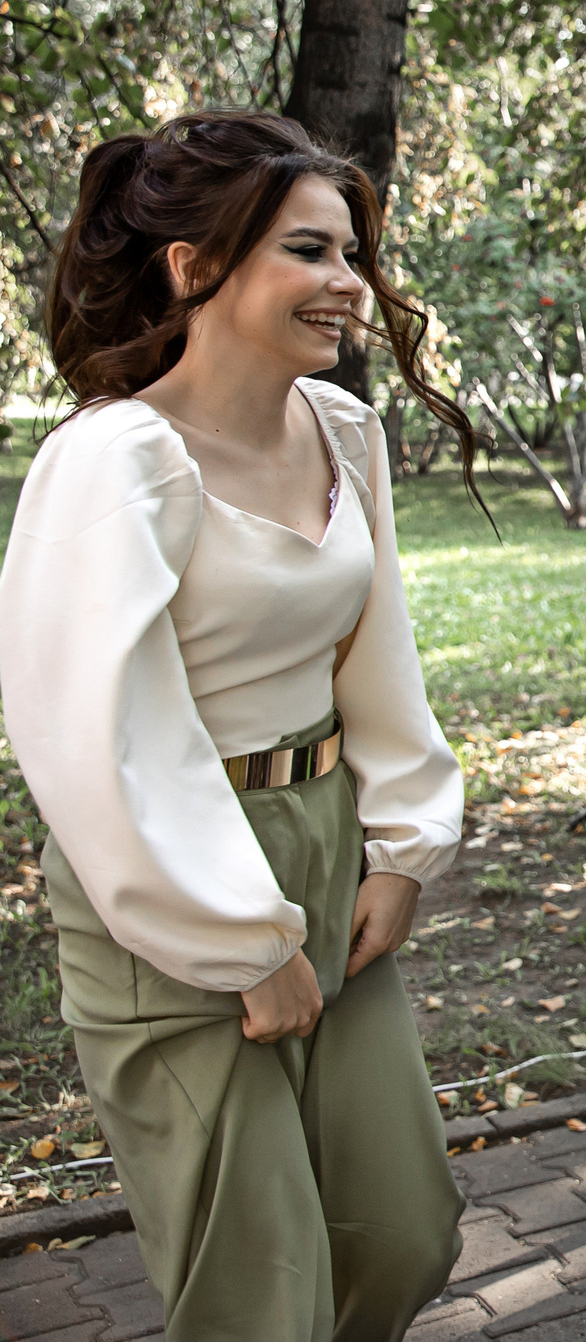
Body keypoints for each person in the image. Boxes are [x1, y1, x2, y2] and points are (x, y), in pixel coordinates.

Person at [0, 112, 473, 1339]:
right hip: (168, 879)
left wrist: (404, 844)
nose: (349, 285)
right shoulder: (117, 460)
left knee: (406, 1229)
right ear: (195, 263)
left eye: (354, 255)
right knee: (262, 1291)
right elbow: (100, 733)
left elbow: (378, 656)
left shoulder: (342, 432)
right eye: (311, 251)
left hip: (328, 841)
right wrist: (239, 935)